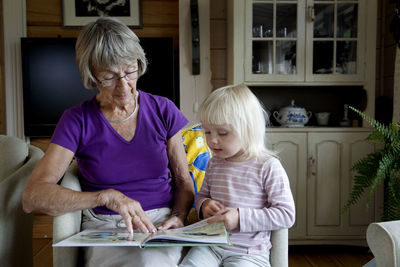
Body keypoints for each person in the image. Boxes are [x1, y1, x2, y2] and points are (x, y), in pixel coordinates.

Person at [22, 17, 194, 267]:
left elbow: (183, 181)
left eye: (129, 71)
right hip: (107, 226)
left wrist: (178, 215)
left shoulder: (163, 110)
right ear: (92, 76)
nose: (124, 86)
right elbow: (32, 197)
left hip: (159, 223)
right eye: (109, 77)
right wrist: (105, 197)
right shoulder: (76, 120)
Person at [179, 84, 296, 267]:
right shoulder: (214, 163)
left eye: (222, 133)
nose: (212, 140)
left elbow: (286, 214)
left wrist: (240, 218)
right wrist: (204, 205)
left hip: (249, 253)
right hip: (211, 245)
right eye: (207, 131)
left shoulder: (268, 166)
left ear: (248, 130)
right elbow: (202, 195)